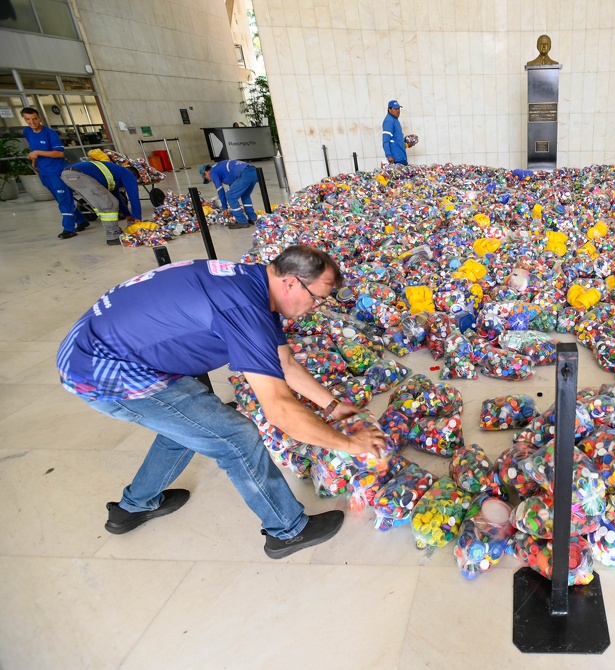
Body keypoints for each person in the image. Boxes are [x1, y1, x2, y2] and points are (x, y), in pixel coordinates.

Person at [56, 244, 387, 559]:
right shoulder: (246, 308)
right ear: (290, 282)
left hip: (104, 345)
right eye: (316, 298)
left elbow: (283, 363)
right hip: (102, 368)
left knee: (193, 424)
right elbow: (279, 409)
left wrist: (331, 406)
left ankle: (132, 508)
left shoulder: (254, 283)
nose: (315, 307)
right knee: (234, 436)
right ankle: (287, 530)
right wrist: (349, 444)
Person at [21, 107, 87, 240]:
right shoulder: (27, 131)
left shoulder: (50, 134)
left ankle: (69, 228)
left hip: (56, 172)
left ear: (39, 118)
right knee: (61, 199)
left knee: (63, 199)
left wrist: (38, 153)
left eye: (34, 119)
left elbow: (59, 153)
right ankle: (81, 220)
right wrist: (35, 167)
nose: (32, 122)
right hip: (44, 172)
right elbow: (33, 150)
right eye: (28, 119)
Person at [61, 157, 143, 246]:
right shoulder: (128, 174)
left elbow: (118, 199)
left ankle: (114, 230)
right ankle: (113, 236)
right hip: (77, 175)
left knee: (109, 201)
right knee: (107, 204)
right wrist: (137, 217)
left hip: (69, 174)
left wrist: (128, 215)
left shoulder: (113, 175)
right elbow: (133, 196)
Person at [200, 160, 259, 229]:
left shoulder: (213, 172)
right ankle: (252, 218)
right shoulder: (220, 167)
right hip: (253, 171)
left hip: (244, 173)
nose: (210, 180)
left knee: (230, 196)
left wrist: (224, 208)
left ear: (206, 172)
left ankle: (242, 221)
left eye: (206, 178)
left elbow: (220, 191)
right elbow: (234, 185)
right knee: (245, 195)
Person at [382, 100, 408, 166]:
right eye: (395, 109)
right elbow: (385, 140)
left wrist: (407, 144)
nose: (398, 111)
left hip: (401, 156)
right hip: (396, 159)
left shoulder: (395, 120)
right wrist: (389, 155)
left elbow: (396, 139)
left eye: (398, 108)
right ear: (389, 109)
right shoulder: (389, 121)